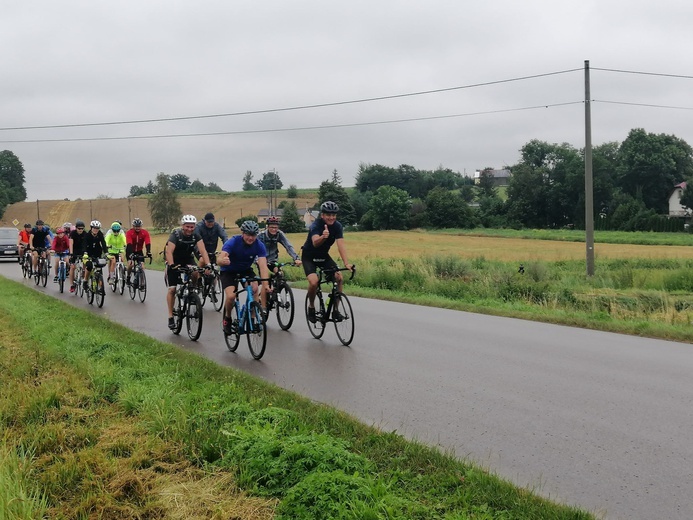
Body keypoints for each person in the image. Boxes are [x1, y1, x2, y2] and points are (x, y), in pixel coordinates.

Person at [301, 201, 353, 323]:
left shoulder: (337, 226)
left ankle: (335, 310)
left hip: (324, 256)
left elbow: (341, 245)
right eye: (328, 215)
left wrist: (346, 263)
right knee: (314, 282)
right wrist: (323, 237)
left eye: (334, 215)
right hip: (309, 256)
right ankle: (311, 307)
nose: (331, 217)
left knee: (339, 277)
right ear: (322, 215)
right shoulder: (316, 226)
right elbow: (315, 242)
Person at [217, 220, 270, 335]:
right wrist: (223, 261)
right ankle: (227, 319)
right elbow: (220, 259)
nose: (250, 238)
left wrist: (266, 285)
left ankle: (252, 319)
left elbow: (263, 266)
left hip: (245, 270)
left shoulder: (259, 245)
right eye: (248, 235)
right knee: (231, 296)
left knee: (255, 288)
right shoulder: (233, 242)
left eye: (253, 235)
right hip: (229, 271)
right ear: (243, 233)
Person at [164, 215, 211, 330]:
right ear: (182, 226)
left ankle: (192, 291)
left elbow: (203, 251)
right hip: (174, 260)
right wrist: (171, 265)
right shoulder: (176, 235)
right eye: (187, 226)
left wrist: (208, 265)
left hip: (187, 259)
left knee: (195, 272)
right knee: (172, 289)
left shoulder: (196, 235)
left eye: (192, 227)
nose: (190, 229)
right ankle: (170, 316)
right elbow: (169, 252)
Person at [82, 220, 108, 291]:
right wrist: (85, 253)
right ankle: (85, 281)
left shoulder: (100, 234)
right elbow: (84, 244)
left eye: (97, 228)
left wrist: (106, 253)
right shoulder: (87, 235)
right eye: (94, 228)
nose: (96, 230)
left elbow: (103, 243)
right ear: (91, 228)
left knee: (99, 268)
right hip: (88, 253)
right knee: (89, 266)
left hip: (97, 253)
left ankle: (101, 286)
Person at [125, 218, 152, 284]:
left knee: (142, 267)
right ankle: (128, 276)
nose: (137, 228)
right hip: (130, 250)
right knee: (131, 265)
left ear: (141, 226)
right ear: (133, 226)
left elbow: (147, 242)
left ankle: (142, 283)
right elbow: (129, 243)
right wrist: (131, 254)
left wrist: (148, 252)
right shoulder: (129, 233)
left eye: (139, 226)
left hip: (139, 251)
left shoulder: (144, 233)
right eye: (136, 226)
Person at [68, 220, 87, 292]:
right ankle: (72, 285)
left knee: (86, 263)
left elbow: (87, 244)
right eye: (79, 228)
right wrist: (71, 254)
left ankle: (84, 276)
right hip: (74, 250)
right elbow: (71, 243)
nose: (81, 230)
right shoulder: (72, 233)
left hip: (82, 250)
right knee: (72, 267)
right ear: (76, 228)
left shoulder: (85, 234)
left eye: (82, 228)